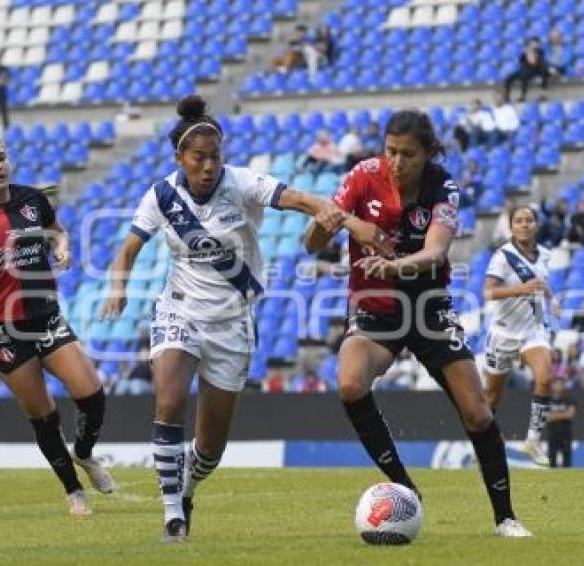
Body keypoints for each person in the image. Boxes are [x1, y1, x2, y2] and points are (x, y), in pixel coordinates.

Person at [98, 95, 384, 542]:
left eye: (215, 157)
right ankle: (173, 515)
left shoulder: (241, 182)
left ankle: (187, 491)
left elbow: (293, 197)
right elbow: (129, 248)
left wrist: (330, 212)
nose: (209, 166)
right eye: (199, 158)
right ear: (180, 158)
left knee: (209, 448)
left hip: (232, 322)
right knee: (169, 401)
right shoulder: (161, 195)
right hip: (179, 310)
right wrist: (118, 286)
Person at [303, 108, 531, 537]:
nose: (397, 162)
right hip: (375, 307)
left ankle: (506, 517)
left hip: (427, 306)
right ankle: (404, 487)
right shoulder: (361, 177)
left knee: (477, 413)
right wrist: (330, 223)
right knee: (350, 384)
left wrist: (394, 266)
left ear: (427, 153)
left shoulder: (442, 187)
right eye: (391, 151)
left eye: (408, 154)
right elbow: (312, 242)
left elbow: (436, 253)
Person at [0, 133, 115, 517]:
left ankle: (83, 454)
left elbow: (57, 231)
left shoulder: (33, 199)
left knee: (92, 395)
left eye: (1, 158)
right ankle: (73, 491)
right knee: (43, 413)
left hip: (45, 317)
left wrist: (62, 246)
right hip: (2, 330)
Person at [483, 205, 555, 467]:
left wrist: (551, 299)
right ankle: (485, 448)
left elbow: (542, 284)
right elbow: (488, 292)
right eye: (519, 221)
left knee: (545, 378)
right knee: (491, 398)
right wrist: (520, 289)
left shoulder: (545, 255)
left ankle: (533, 441)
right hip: (502, 333)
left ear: (536, 225)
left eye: (529, 220)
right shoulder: (502, 256)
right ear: (511, 227)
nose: (524, 225)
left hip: (532, 332)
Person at [504, 37, 550, 102]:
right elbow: (521, 61)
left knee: (524, 77)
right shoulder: (525, 51)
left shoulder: (540, 52)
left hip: (534, 70)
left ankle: (523, 96)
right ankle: (506, 96)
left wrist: (533, 54)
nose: (534, 44)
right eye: (533, 43)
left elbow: (537, 63)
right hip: (524, 69)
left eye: (536, 43)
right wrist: (526, 53)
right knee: (508, 78)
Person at [545, 378, 576, 468]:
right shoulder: (547, 401)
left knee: (567, 460)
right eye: (557, 384)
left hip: (566, 434)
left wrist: (553, 415)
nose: (560, 386)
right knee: (551, 460)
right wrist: (563, 414)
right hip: (552, 434)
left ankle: (567, 479)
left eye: (561, 384)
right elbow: (545, 417)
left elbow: (570, 414)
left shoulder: (569, 400)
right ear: (552, 386)